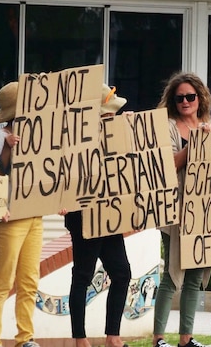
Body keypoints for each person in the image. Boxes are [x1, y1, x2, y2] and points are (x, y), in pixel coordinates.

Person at [63, 84, 131, 347]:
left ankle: (112, 336)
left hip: (110, 214)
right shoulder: (76, 139)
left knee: (122, 272)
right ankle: (80, 339)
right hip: (84, 215)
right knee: (83, 274)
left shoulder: (117, 134)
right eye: (107, 113)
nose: (112, 117)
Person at [152, 72, 211, 347]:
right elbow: (167, 165)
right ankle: (158, 338)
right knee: (172, 273)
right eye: (180, 98)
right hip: (176, 209)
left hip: (205, 210)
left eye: (190, 96)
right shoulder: (167, 126)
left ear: (200, 98)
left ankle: (186, 339)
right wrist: (197, 145)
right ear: (173, 102)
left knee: (194, 276)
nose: (186, 102)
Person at [0, 82, 43, 347]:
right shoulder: (0, 136)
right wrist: (7, 148)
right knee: (3, 282)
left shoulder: (38, 136)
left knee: (29, 280)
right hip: (8, 218)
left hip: (33, 216)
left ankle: (25, 337)